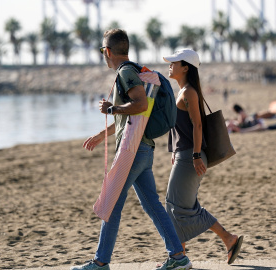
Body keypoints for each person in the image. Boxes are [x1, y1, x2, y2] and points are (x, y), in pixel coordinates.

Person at [71, 29, 191, 270]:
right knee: (151, 205)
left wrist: (111, 109)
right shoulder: (134, 69)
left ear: (108, 51)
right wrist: (100, 135)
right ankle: (178, 257)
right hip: (143, 150)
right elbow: (132, 119)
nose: (103, 55)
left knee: (112, 202)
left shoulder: (125, 72)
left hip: (133, 151)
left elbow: (140, 104)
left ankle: (100, 261)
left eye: (102, 50)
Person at [163, 48, 244, 265]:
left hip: (191, 156)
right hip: (185, 154)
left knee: (174, 207)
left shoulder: (189, 92)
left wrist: (196, 155)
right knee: (181, 207)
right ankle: (228, 239)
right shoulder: (182, 91)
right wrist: (177, 152)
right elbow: (182, 128)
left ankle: (177, 258)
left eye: (174, 62)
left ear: (186, 67)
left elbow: (198, 125)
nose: (170, 65)